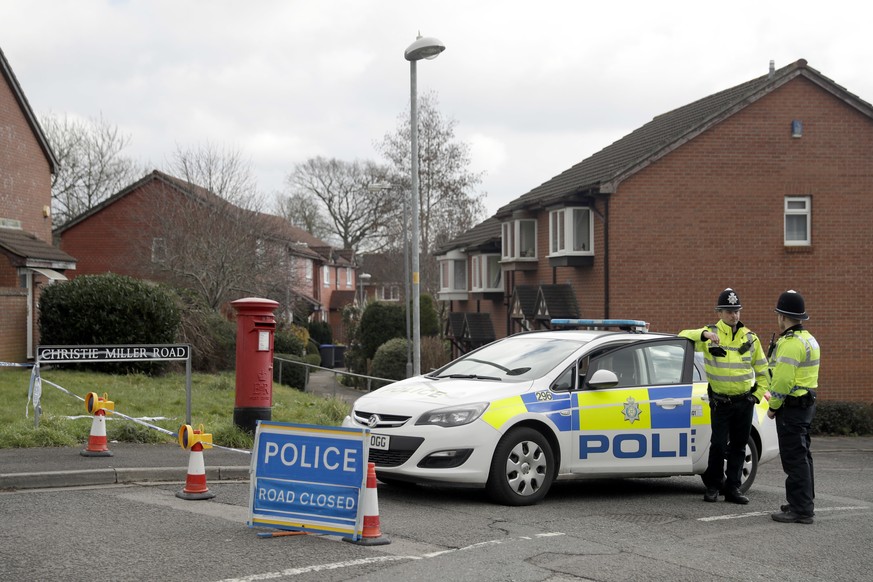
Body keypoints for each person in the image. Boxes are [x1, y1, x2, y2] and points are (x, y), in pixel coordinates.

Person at [680, 288, 769, 504]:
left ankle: (733, 489)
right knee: (718, 445)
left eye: (736, 311)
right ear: (719, 312)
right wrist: (704, 335)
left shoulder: (751, 338)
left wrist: (755, 396)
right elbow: (682, 335)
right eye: (729, 311)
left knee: (739, 446)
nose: (734, 315)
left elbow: (764, 372)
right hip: (720, 402)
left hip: (744, 401)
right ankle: (713, 487)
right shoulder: (710, 334)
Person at [767, 290, 820, 524]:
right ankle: (803, 501)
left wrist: (773, 407)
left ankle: (801, 509)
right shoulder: (809, 339)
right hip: (805, 404)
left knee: (794, 458)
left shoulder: (789, 344)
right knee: (803, 455)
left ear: (783, 316)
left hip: (791, 407)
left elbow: (782, 382)